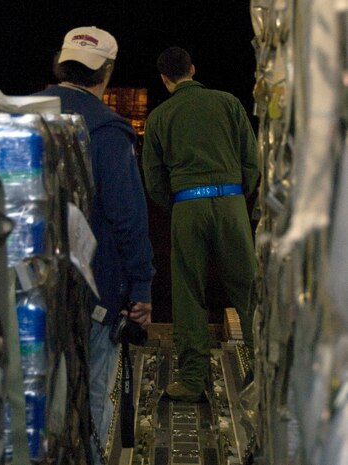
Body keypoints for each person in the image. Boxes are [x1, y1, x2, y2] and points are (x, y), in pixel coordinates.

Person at [34, 26, 155, 463]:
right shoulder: (106, 130)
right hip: (93, 291)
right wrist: (141, 287)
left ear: (59, 65)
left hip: (26, 294)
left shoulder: (24, 119)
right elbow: (127, 218)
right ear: (106, 70)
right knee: (89, 396)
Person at [142, 47, 259, 402]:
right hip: (231, 202)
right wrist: (238, 195)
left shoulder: (160, 116)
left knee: (189, 293)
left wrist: (176, 204)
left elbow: (153, 177)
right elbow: (251, 160)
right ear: (193, 69)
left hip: (188, 206)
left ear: (165, 79)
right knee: (249, 290)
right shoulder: (228, 103)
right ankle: (265, 369)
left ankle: (193, 381)